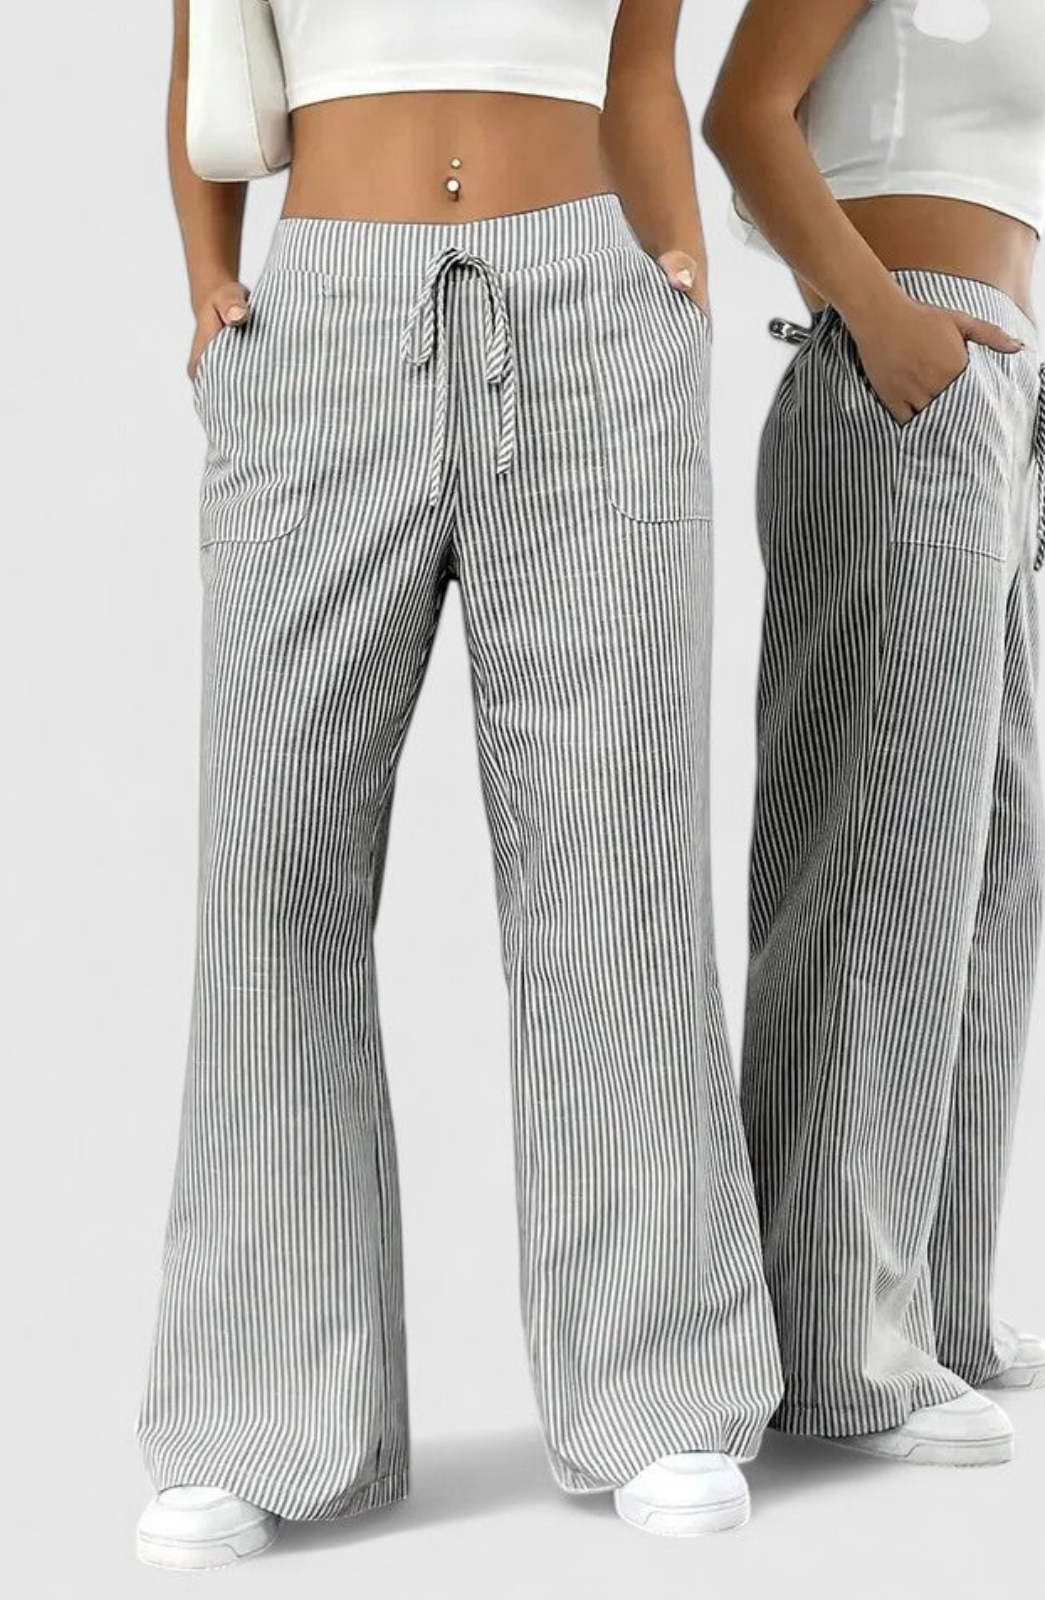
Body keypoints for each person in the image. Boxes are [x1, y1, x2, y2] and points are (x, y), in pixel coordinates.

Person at [135, 0, 784, 1568]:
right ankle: (252, 1413)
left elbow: (640, 72)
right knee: (269, 873)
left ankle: (658, 1388)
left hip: (589, 320)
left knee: (615, 866)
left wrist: (676, 297)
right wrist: (208, 282)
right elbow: (204, 59)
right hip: (320, 321)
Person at [704, 0, 1045, 1466]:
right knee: (875, 871)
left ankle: (938, 1298)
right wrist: (878, 314)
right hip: (901, 384)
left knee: (992, 869)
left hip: (996, 401)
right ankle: (836, 1348)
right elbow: (743, 116)